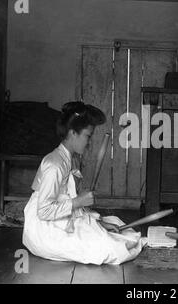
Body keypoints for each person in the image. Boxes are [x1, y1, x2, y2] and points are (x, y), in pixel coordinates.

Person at [23, 102, 145, 265]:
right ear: (73, 133)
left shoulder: (68, 159)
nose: (89, 142)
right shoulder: (54, 164)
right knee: (112, 248)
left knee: (115, 226)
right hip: (43, 228)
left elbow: (68, 201)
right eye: (88, 136)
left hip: (60, 217)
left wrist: (98, 222)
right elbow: (44, 211)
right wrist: (78, 201)